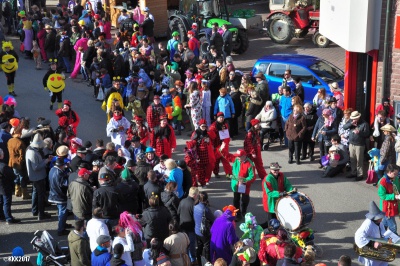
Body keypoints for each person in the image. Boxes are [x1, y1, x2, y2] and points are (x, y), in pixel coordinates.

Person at [222, 148, 256, 220]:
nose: (237, 157)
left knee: (245, 199)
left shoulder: (250, 164)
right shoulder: (236, 160)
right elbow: (227, 156)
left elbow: (252, 177)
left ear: (244, 156)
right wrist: (222, 149)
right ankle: (238, 214)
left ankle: (244, 211)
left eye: (239, 156)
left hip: (244, 185)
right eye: (237, 156)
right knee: (236, 200)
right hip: (236, 184)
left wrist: (244, 180)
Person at [26, 133, 53, 220]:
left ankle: (35, 211)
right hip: (38, 177)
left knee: (35, 193)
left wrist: (45, 159)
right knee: (40, 195)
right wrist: (46, 161)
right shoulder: (33, 153)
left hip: (34, 177)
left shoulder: (30, 149)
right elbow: (36, 167)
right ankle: (41, 214)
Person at [355, 201, 389, 266]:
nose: (382, 218)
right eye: (380, 217)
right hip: (371, 254)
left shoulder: (379, 222)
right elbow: (358, 237)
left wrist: (391, 238)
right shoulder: (367, 224)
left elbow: (383, 233)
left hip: (380, 252)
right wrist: (373, 243)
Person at [343, 111, 370, 181]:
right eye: (353, 118)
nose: (354, 120)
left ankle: (360, 174)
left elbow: (367, 134)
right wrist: (351, 124)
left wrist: (359, 132)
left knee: (359, 160)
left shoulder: (364, 124)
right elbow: (344, 127)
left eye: (355, 118)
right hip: (351, 143)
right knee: (352, 159)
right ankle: (353, 172)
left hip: (360, 144)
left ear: (358, 117)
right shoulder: (351, 122)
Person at [49, 158, 70, 236]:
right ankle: (61, 229)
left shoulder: (52, 170)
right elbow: (63, 184)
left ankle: (63, 224)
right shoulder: (59, 173)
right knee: (63, 213)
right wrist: (68, 177)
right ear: (61, 165)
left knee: (61, 211)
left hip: (54, 194)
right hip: (60, 196)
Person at [177, 187, 199, 263]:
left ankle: (185, 258)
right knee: (191, 244)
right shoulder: (194, 204)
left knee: (184, 243)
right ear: (195, 195)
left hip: (182, 226)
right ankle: (192, 259)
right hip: (191, 227)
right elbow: (195, 217)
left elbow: (178, 213)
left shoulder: (182, 201)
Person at [377, 164, 400, 234]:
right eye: (395, 173)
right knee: (393, 226)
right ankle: (395, 240)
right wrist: (394, 196)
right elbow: (382, 196)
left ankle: (379, 234)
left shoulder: (396, 179)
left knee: (385, 223)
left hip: (394, 205)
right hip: (387, 208)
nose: (396, 175)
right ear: (389, 172)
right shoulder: (382, 182)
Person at [209, 112, 233, 179]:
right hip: (216, 146)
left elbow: (227, 136)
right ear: (217, 118)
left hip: (223, 146)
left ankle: (228, 174)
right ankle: (216, 173)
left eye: (222, 117)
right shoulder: (213, 126)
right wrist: (212, 146)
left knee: (226, 160)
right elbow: (210, 137)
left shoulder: (225, 125)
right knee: (216, 161)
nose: (221, 118)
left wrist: (225, 144)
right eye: (220, 117)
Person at [0, 148, 21, 224]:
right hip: (5, 187)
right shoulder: (3, 166)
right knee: (6, 203)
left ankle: (1, 216)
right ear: (1, 155)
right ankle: (8, 218)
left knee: (1, 202)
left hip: (1, 187)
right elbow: (11, 176)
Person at [193, 191, 214, 263]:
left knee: (199, 248)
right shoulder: (206, 210)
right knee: (207, 249)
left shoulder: (195, 206)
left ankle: (199, 262)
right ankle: (207, 263)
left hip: (197, 231)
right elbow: (213, 219)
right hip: (204, 232)